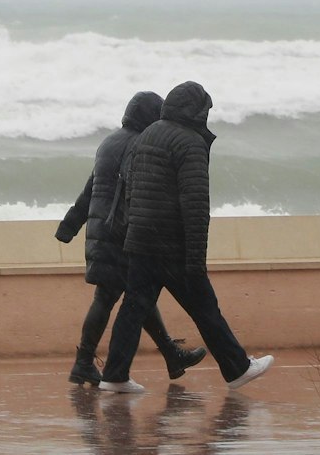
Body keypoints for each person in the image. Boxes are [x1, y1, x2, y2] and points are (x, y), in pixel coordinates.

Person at [98, 80, 272, 393]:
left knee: (133, 308)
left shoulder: (146, 135)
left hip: (140, 241)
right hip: (172, 245)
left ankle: (114, 375)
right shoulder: (190, 143)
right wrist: (196, 259)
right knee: (205, 308)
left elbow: (129, 191)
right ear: (197, 112)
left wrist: (133, 234)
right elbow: (195, 205)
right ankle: (238, 368)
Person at [55, 90, 207, 386]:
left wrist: (69, 225)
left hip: (100, 233)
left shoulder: (108, 143)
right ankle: (84, 362)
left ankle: (169, 355)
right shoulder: (140, 144)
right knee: (123, 296)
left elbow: (91, 190)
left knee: (133, 296)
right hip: (123, 232)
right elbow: (134, 193)